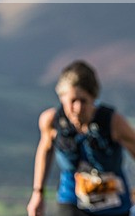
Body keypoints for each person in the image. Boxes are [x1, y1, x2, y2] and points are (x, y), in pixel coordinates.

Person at [27, 60, 135, 216]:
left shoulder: (113, 122)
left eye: (83, 101)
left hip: (114, 206)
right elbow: (45, 150)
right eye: (72, 101)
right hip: (72, 201)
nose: (77, 108)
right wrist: (38, 193)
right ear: (61, 98)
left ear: (93, 98)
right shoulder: (52, 122)